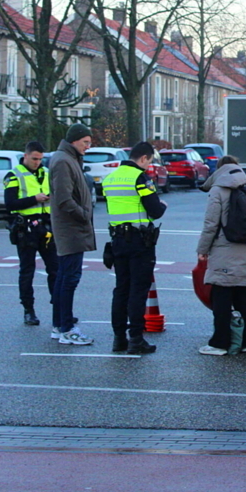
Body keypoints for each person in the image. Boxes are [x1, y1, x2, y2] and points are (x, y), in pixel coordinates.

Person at [103, 141, 167, 355]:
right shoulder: (140, 178)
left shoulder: (110, 178)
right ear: (143, 158)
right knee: (138, 291)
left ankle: (118, 338)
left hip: (117, 240)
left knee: (121, 289)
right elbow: (155, 210)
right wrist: (162, 206)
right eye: (149, 162)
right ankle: (136, 340)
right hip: (139, 241)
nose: (148, 166)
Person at [196, 156, 246, 356]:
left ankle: (219, 343)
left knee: (221, 295)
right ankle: (245, 341)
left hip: (224, 249)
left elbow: (211, 224)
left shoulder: (218, 191)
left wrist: (203, 249)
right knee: (243, 295)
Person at [49, 123, 97, 346]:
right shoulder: (63, 161)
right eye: (85, 142)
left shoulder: (69, 159)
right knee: (69, 278)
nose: (88, 146)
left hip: (72, 228)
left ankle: (60, 324)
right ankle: (66, 328)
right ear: (73, 141)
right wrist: (83, 215)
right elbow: (63, 198)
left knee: (64, 277)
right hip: (70, 229)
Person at [3, 141, 57, 326]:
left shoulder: (47, 173)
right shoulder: (14, 175)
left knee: (55, 269)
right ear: (25, 156)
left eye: (40, 159)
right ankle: (29, 310)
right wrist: (34, 199)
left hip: (48, 227)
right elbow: (10, 204)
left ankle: (59, 308)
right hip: (26, 228)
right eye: (34, 159)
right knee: (27, 271)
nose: (37, 162)